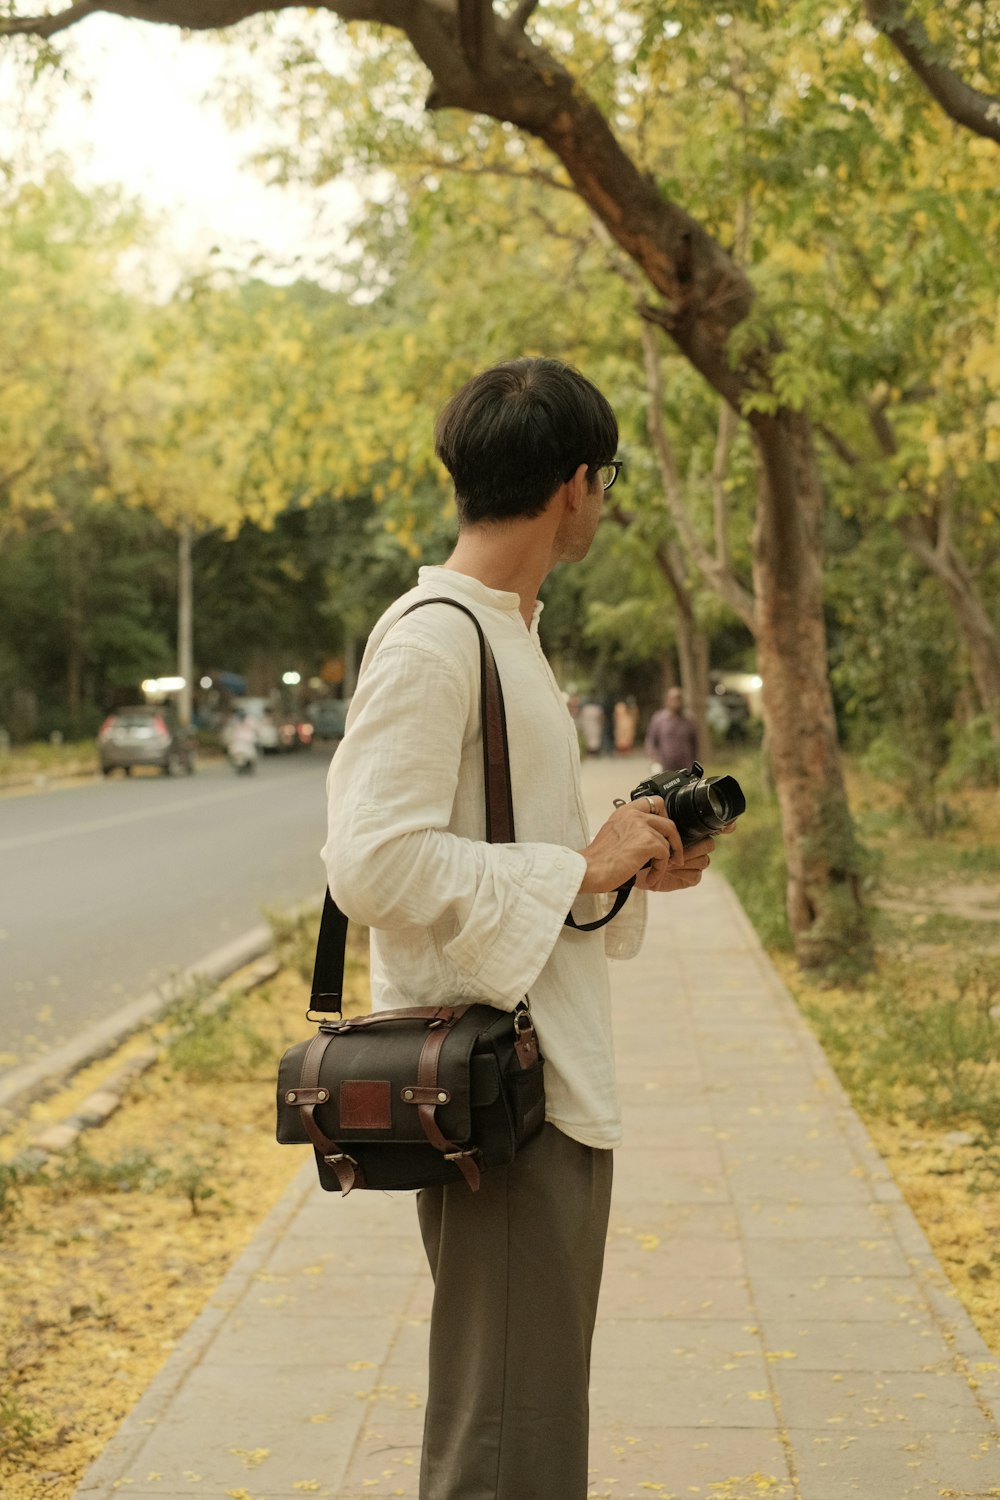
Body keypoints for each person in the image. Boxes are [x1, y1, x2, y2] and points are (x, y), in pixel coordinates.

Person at [322, 357, 719, 1500]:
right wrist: (575, 864)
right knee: (504, 1450)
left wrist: (618, 872)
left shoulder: (505, 631)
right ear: (578, 487)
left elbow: (510, 860)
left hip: (540, 1078)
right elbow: (369, 859)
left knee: (528, 1432)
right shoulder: (436, 637)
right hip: (504, 1095)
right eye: (608, 482)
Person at [644, 684, 699, 772]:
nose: (676, 702)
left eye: (679, 698)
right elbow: (650, 741)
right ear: (667, 700)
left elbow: (695, 743)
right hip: (665, 767)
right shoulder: (659, 719)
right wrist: (654, 758)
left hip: (685, 767)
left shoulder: (689, 720)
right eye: (674, 698)